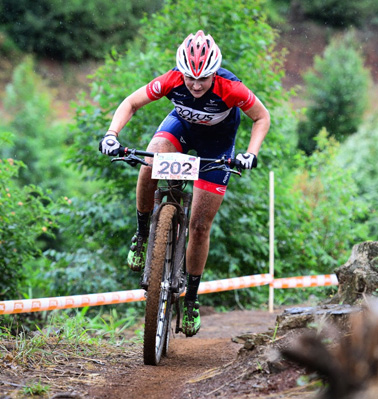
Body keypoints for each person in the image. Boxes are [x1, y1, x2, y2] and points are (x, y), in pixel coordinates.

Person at [99, 30, 270, 337]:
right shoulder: (173, 79)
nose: (195, 84)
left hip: (217, 147)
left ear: (214, 73)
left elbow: (262, 117)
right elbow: (131, 102)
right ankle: (141, 234)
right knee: (149, 164)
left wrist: (250, 154)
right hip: (180, 130)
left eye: (202, 79)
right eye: (190, 77)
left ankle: (190, 298)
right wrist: (112, 135)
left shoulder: (230, 87)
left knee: (200, 226)